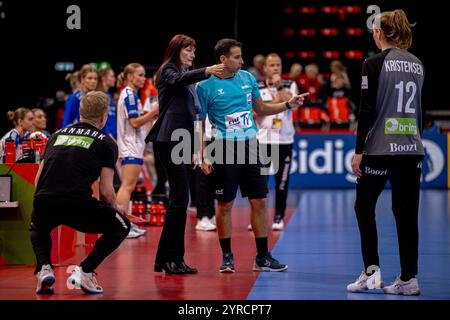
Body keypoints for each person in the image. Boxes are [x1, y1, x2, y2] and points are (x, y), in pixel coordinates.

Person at [196, 39, 307, 273]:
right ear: (223, 59)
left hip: (251, 145)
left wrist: (288, 104)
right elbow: (199, 123)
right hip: (223, 147)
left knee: (259, 201)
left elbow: (261, 109)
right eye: (237, 56)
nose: (242, 60)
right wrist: (201, 153)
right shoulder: (205, 87)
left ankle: (263, 257)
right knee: (225, 204)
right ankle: (227, 256)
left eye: (241, 56)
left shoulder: (247, 78)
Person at [347, 9, 424, 296]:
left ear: (380, 32)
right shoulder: (417, 64)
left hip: (380, 148)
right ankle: (409, 278)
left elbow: (366, 111)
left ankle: (371, 274)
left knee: (364, 208)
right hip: (412, 149)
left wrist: (359, 151)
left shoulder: (373, 63)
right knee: (407, 214)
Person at [30, 91, 131, 295]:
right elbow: (106, 192)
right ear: (104, 117)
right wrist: (117, 210)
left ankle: (44, 269)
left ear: (80, 112)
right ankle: (85, 271)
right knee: (121, 226)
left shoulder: (56, 135)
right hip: (77, 204)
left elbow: (37, 181)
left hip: (44, 200)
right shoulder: (107, 142)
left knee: (38, 227)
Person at [145, 34, 224, 274]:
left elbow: (193, 115)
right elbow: (179, 79)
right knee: (179, 200)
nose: (192, 54)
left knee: (180, 200)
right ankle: (172, 260)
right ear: (176, 50)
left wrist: (192, 148)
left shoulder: (187, 81)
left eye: (194, 50)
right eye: (188, 50)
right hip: (168, 138)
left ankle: (166, 260)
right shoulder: (168, 70)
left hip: (180, 141)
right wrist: (207, 70)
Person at [254, 53, 298, 231]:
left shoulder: (290, 84)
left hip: (284, 140)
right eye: (272, 65)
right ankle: (257, 218)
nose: (275, 68)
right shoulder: (256, 87)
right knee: (260, 182)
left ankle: (279, 216)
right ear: (265, 68)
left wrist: (279, 87)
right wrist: (275, 102)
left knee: (282, 182)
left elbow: (292, 103)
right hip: (263, 141)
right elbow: (255, 112)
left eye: (278, 65)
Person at [115, 63, 158, 238]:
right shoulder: (129, 96)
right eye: (139, 75)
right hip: (130, 147)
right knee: (126, 187)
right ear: (130, 77)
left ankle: (126, 224)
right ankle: (120, 226)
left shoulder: (132, 95)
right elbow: (134, 122)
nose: (143, 78)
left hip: (135, 146)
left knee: (129, 187)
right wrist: (154, 111)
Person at [97, 68, 118, 140]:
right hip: (105, 137)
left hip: (114, 136)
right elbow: (99, 119)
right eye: (112, 76)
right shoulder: (98, 95)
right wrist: (109, 136)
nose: (114, 79)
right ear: (103, 78)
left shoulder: (109, 95)